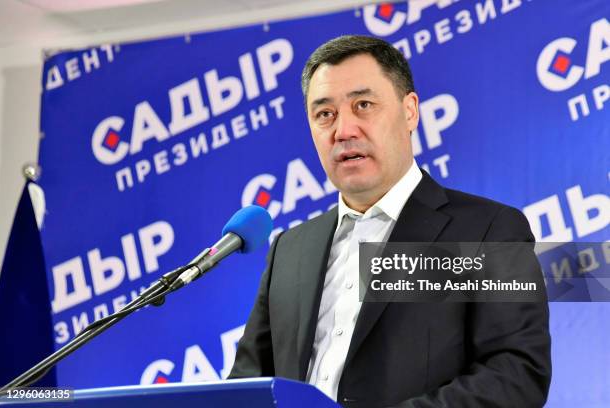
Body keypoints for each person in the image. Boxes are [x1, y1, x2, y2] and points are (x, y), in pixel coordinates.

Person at [229, 35, 551, 408]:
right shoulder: (290, 249)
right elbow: (247, 385)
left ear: (410, 111)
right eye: (324, 114)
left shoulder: (490, 230)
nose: (344, 130)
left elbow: (516, 374)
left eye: (363, 105)